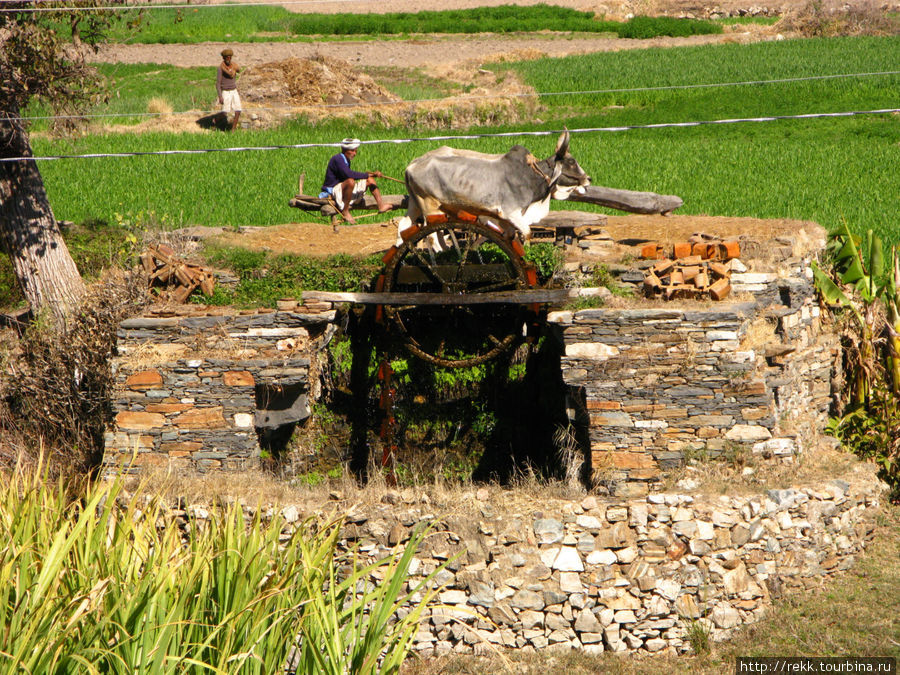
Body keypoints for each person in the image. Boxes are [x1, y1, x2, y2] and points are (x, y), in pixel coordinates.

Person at [318, 138, 391, 225]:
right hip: (333, 189)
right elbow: (348, 174)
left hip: (342, 188)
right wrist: (368, 175)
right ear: (344, 150)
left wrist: (370, 176)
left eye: (355, 151)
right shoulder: (338, 159)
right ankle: (345, 211)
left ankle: (381, 206)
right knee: (351, 182)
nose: (354, 153)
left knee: (370, 180)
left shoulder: (346, 160)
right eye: (352, 151)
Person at [216, 48, 241, 131]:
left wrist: (234, 68)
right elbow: (218, 84)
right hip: (226, 91)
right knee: (225, 112)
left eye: (230, 57)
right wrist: (220, 96)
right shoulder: (221, 68)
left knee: (238, 110)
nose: (228, 59)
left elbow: (239, 70)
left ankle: (233, 129)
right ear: (224, 58)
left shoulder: (234, 66)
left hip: (234, 91)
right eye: (227, 57)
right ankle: (215, 120)